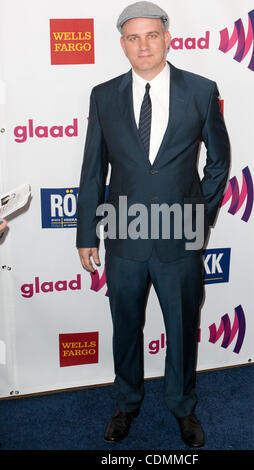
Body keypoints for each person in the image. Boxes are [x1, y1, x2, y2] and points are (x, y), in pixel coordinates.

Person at [76, 1, 230, 448]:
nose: (143, 44)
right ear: (122, 43)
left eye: (151, 35)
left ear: (167, 36)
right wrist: (86, 232)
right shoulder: (103, 95)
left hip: (178, 238)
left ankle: (183, 407)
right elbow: (92, 170)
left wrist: (199, 217)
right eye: (133, 37)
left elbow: (219, 163)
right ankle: (126, 403)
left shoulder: (201, 91)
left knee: (181, 329)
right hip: (123, 236)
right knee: (125, 326)